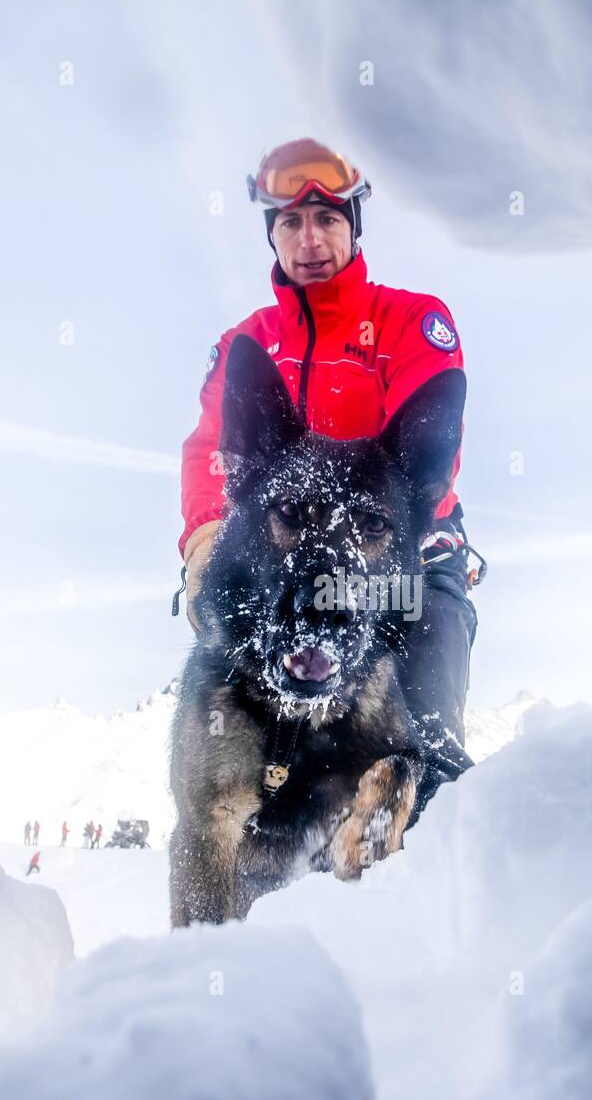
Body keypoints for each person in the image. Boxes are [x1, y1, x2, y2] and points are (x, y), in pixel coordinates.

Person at [177, 137, 484, 807]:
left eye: (327, 217)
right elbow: (209, 449)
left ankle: (432, 837)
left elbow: (429, 452)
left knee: (425, 749)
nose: (309, 237)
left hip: (403, 565)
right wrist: (206, 542)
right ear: (272, 234)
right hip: (281, 563)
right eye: (290, 221)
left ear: (353, 224)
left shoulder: (410, 321)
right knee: (238, 759)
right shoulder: (246, 345)